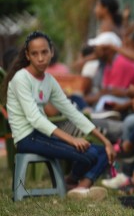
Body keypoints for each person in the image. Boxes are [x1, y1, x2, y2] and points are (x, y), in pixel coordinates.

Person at [1, 31, 114, 200]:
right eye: (35, 53)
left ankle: (78, 186)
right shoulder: (21, 79)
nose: (40, 58)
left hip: (43, 136)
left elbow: (72, 112)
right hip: (27, 138)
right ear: (28, 55)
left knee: (103, 152)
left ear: (51, 52)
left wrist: (106, 141)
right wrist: (72, 139)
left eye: (44, 52)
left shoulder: (49, 80)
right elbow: (36, 119)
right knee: (90, 155)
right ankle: (76, 184)